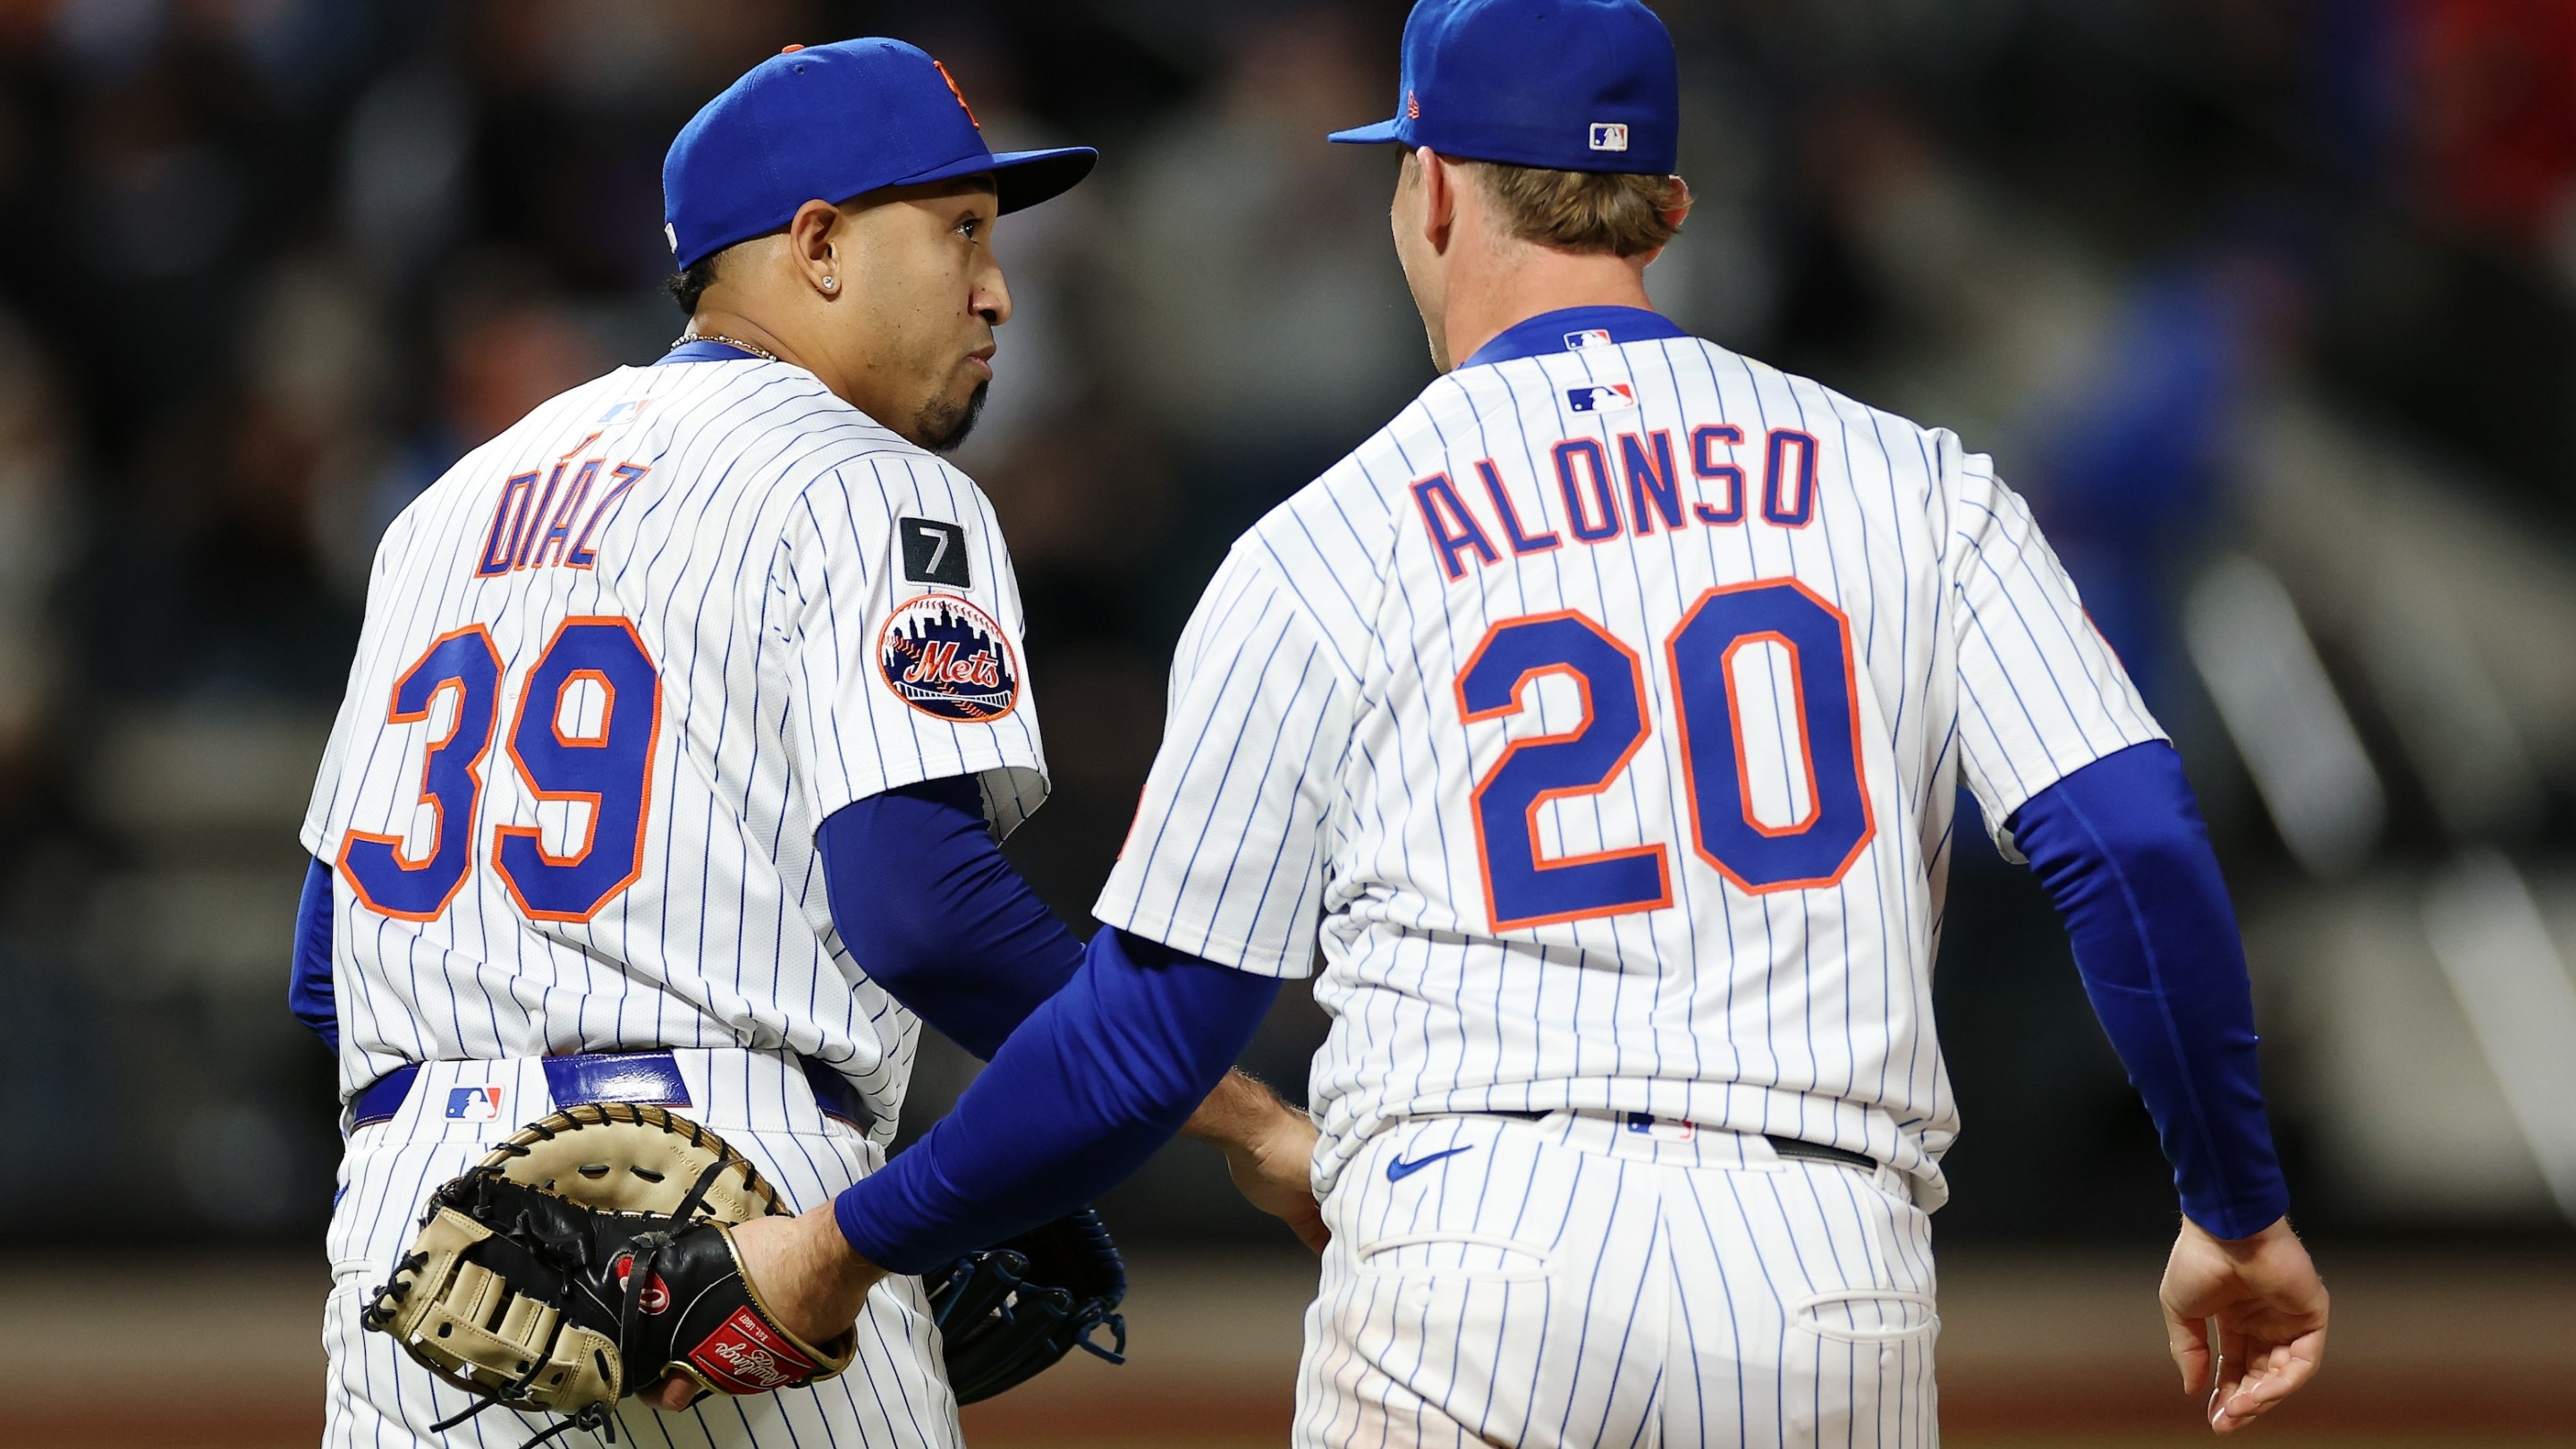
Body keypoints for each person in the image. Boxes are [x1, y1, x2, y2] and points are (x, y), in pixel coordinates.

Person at [674, 4, 2327, 1445]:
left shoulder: (1329, 540)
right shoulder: (1919, 485)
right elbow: (2128, 839)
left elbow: (1139, 1042)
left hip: (1468, 1255)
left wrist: (843, 1245)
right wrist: (2233, 1209)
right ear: (1667, 209)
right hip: (1820, 1265)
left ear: (1433, 186)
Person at [293, 38, 1318, 1447]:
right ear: (819, 245)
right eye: (959, 230)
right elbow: (927, 914)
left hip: (424, 1255)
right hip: (732, 1218)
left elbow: (323, 963)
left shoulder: (449, 507)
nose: (998, 287)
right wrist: (1249, 1123)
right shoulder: (868, 481)